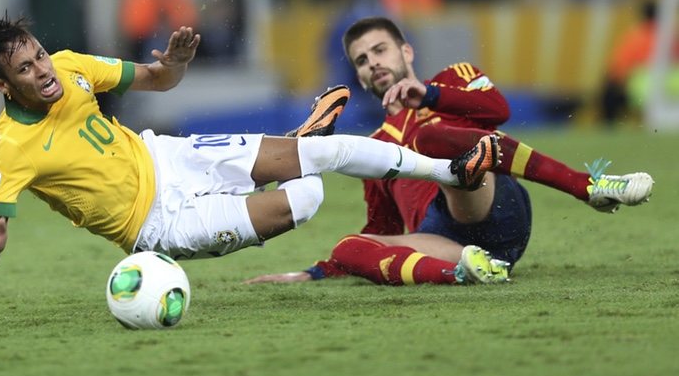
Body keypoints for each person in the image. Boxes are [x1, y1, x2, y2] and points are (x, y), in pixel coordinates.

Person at [0, 14, 505, 283]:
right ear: (3, 86)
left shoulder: (71, 65)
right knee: (308, 196)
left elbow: (159, 80)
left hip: (170, 156)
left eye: (39, 56)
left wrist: (173, 61)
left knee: (332, 150)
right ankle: (292, 148)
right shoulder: (12, 149)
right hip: (159, 223)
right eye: (26, 69)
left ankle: (450, 172)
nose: (44, 71)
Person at [246, 16, 654, 286]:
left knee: (431, 140)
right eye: (362, 60)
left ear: (406, 52)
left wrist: (430, 96)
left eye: (380, 50)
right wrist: (311, 273)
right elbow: (384, 229)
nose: (373, 62)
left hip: (488, 203)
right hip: (446, 239)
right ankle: (467, 272)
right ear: (357, 74)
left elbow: (499, 109)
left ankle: (589, 186)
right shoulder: (373, 148)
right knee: (347, 246)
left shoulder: (453, 79)